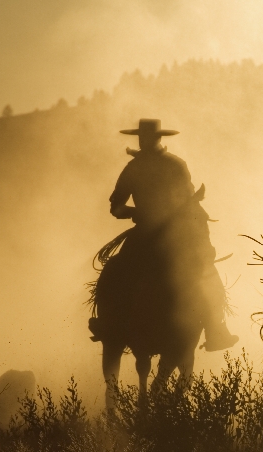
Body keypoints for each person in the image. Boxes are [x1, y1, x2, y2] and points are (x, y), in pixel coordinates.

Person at [91, 118, 238, 351]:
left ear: (156, 138)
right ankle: (215, 327)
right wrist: (148, 212)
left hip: (157, 233)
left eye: (146, 136)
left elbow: (117, 207)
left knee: (118, 271)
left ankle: (109, 323)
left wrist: (141, 213)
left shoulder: (147, 167)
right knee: (203, 272)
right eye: (141, 137)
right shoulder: (168, 165)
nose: (143, 141)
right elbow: (118, 206)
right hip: (164, 234)